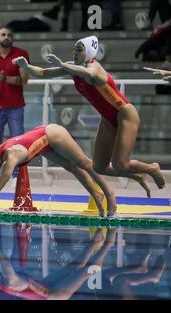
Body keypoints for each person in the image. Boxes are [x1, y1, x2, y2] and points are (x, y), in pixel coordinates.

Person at [13, 35, 165, 196]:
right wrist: (27, 66)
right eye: (74, 49)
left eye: (79, 50)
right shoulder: (73, 67)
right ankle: (137, 175)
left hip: (125, 115)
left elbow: (90, 75)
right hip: (108, 120)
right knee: (99, 167)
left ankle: (151, 168)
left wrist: (63, 65)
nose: (75, 53)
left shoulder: (95, 68)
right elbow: (43, 73)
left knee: (120, 164)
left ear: (90, 53)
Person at [0, 124, 117, 219]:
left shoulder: (10, 159)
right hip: (40, 146)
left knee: (83, 162)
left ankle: (108, 194)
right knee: (71, 167)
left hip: (51, 133)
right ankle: (97, 195)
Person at [0, 25, 29, 154]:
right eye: (3, 34)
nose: (6, 37)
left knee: (17, 143)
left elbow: (24, 80)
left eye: (9, 35)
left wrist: (5, 79)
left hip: (15, 107)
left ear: (12, 38)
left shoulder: (21, 55)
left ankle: (16, 173)